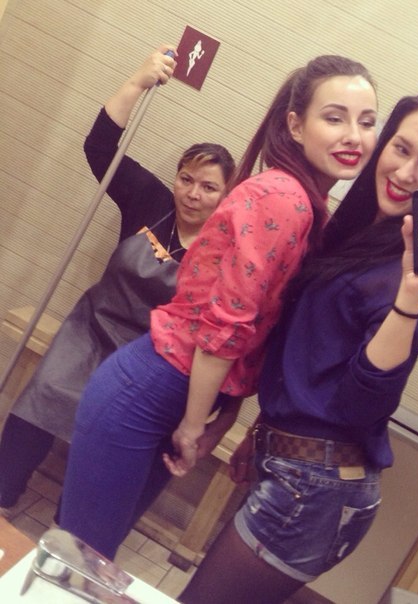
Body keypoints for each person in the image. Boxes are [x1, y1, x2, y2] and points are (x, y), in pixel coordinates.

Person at [58, 54, 379, 560]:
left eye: (367, 121)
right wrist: (194, 424)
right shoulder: (284, 198)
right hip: (151, 389)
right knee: (78, 558)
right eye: (335, 118)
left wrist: (221, 417)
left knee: (92, 558)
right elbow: (226, 324)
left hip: (174, 391)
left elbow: (257, 333)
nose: (353, 136)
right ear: (295, 125)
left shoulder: (305, 204)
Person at [178, 87, 418, 604]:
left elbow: (360, 404)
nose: (406, 173)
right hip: (295, 464)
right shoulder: (357, 228)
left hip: (317, 488)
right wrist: (260, 428)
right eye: (400, 148)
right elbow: (307, 354)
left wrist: (411, 298)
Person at [0, 46, 235, 517]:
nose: (193, 193)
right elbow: (100, 148)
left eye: (209, 187)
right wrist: (137, 81)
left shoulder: (228, 252)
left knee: (106, 451)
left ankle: (69, 530)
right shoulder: (149, 200)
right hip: (89, 331)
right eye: (186, 179)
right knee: (37, 404)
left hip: (147, 360)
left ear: (227, 195)